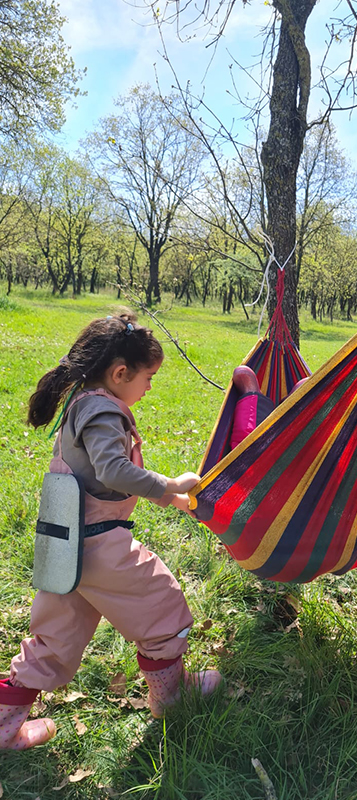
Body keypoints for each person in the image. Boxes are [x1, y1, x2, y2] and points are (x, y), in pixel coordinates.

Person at [0, 314, 221, 751]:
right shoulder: (102, 408)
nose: (150, 387)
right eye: (149, 377)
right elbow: (113, 471)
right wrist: (170, 484)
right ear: (120, 373)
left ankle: (3, 728)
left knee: (53, 640)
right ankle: (171, 697)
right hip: (99, 543)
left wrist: (176, 502)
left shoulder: (82, 401)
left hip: (65, 544)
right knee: (163, 605)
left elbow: (97, 479)